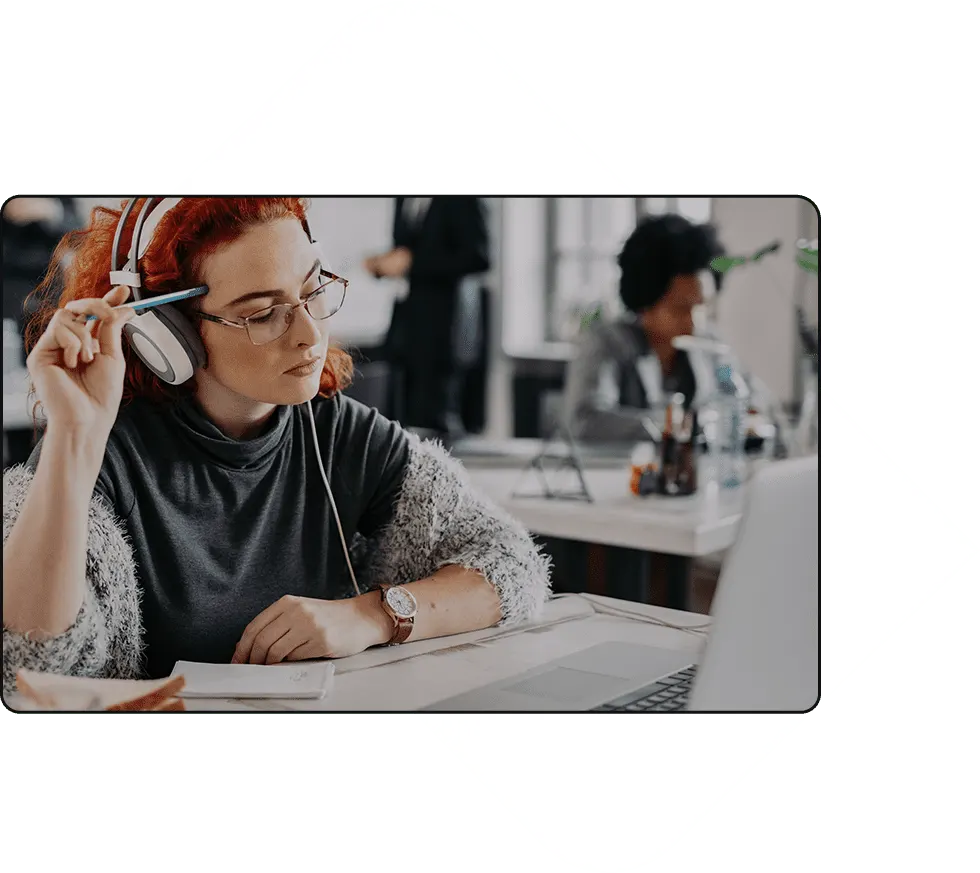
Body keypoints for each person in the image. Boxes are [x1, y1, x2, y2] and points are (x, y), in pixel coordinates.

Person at [1, 197, 550, 694]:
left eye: (312, 289)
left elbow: (513, 565)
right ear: (166, 331)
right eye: (262, 313)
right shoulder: (105, 457)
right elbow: (29, 666)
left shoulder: (340, 433)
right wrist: (74, 437)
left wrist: (373, 615)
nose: (310, 333)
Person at [562, 213, 777, 444]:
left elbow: (756, 399)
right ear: (646, 303)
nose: (694, 321)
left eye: (702, 307)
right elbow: (586, 421)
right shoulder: (608, 343)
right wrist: (681, 425)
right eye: (681, 309)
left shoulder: (709, 344)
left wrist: (751, 414)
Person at [364, 196, 489, 443]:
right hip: (407, 323)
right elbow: (406, 249)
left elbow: (479, 256)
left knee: (439, 421)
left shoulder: (463, 198)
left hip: (447, 328)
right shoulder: (402, 199)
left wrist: (413, 263)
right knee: (401, 414)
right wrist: (384, 264)